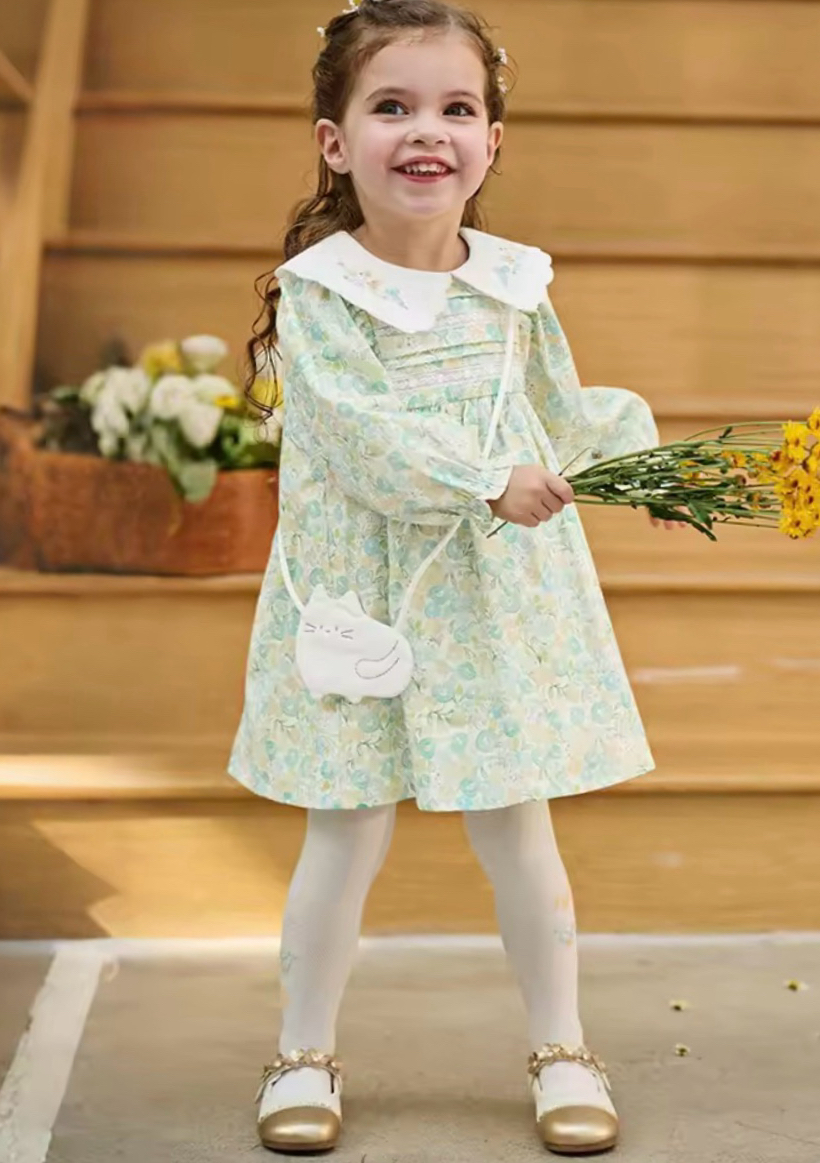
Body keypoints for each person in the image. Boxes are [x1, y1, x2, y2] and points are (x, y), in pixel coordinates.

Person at [229, 0, 681, 1154]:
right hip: (366, 598)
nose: (426, 130)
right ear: (335, 141)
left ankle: (560, 1042)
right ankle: (302, 1049)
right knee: (344, 828)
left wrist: (641, 462)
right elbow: (356, 432)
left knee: (516, 826)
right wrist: (484, 478)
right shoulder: (322, 292)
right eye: (392, 106)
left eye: (455, 108)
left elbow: (555, 409)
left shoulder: (513, 284)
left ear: (490, 141)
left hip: (489, 598)